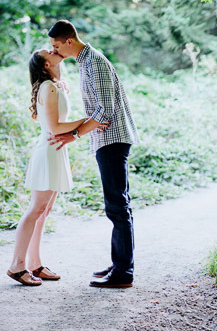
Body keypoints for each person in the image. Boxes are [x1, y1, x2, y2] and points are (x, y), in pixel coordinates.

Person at [47, 20, 140, 288]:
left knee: (118, 206)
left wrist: (74, 134)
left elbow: (104, 111)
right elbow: (98, 113)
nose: (54, 51)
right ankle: (120, 264)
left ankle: (124, 273)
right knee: (117, 205)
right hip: (106, 139)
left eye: (55, 46)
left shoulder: (94, 62)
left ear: (68, 41)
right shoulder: (85, 62)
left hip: (113, 139)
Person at [6, 49, 106, 286]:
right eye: (47, 52)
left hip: (56, 151)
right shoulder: (48, 88)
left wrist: (87, 122)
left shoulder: (56, 85)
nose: (53, 50)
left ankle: (35, 264)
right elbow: (55, 128)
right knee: (36, 209)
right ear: (45, 66)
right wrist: (89, 121)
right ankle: (16, 265)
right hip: (49, 151)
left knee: (44, 211)